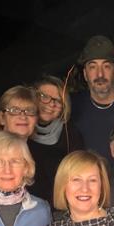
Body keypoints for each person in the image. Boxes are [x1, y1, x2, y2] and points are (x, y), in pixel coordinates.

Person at [29, 75, 84, 204]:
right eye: (44, 97)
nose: (51, 104)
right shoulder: (20, 128)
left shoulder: (70, 134)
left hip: (56, 205)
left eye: (58, 101)